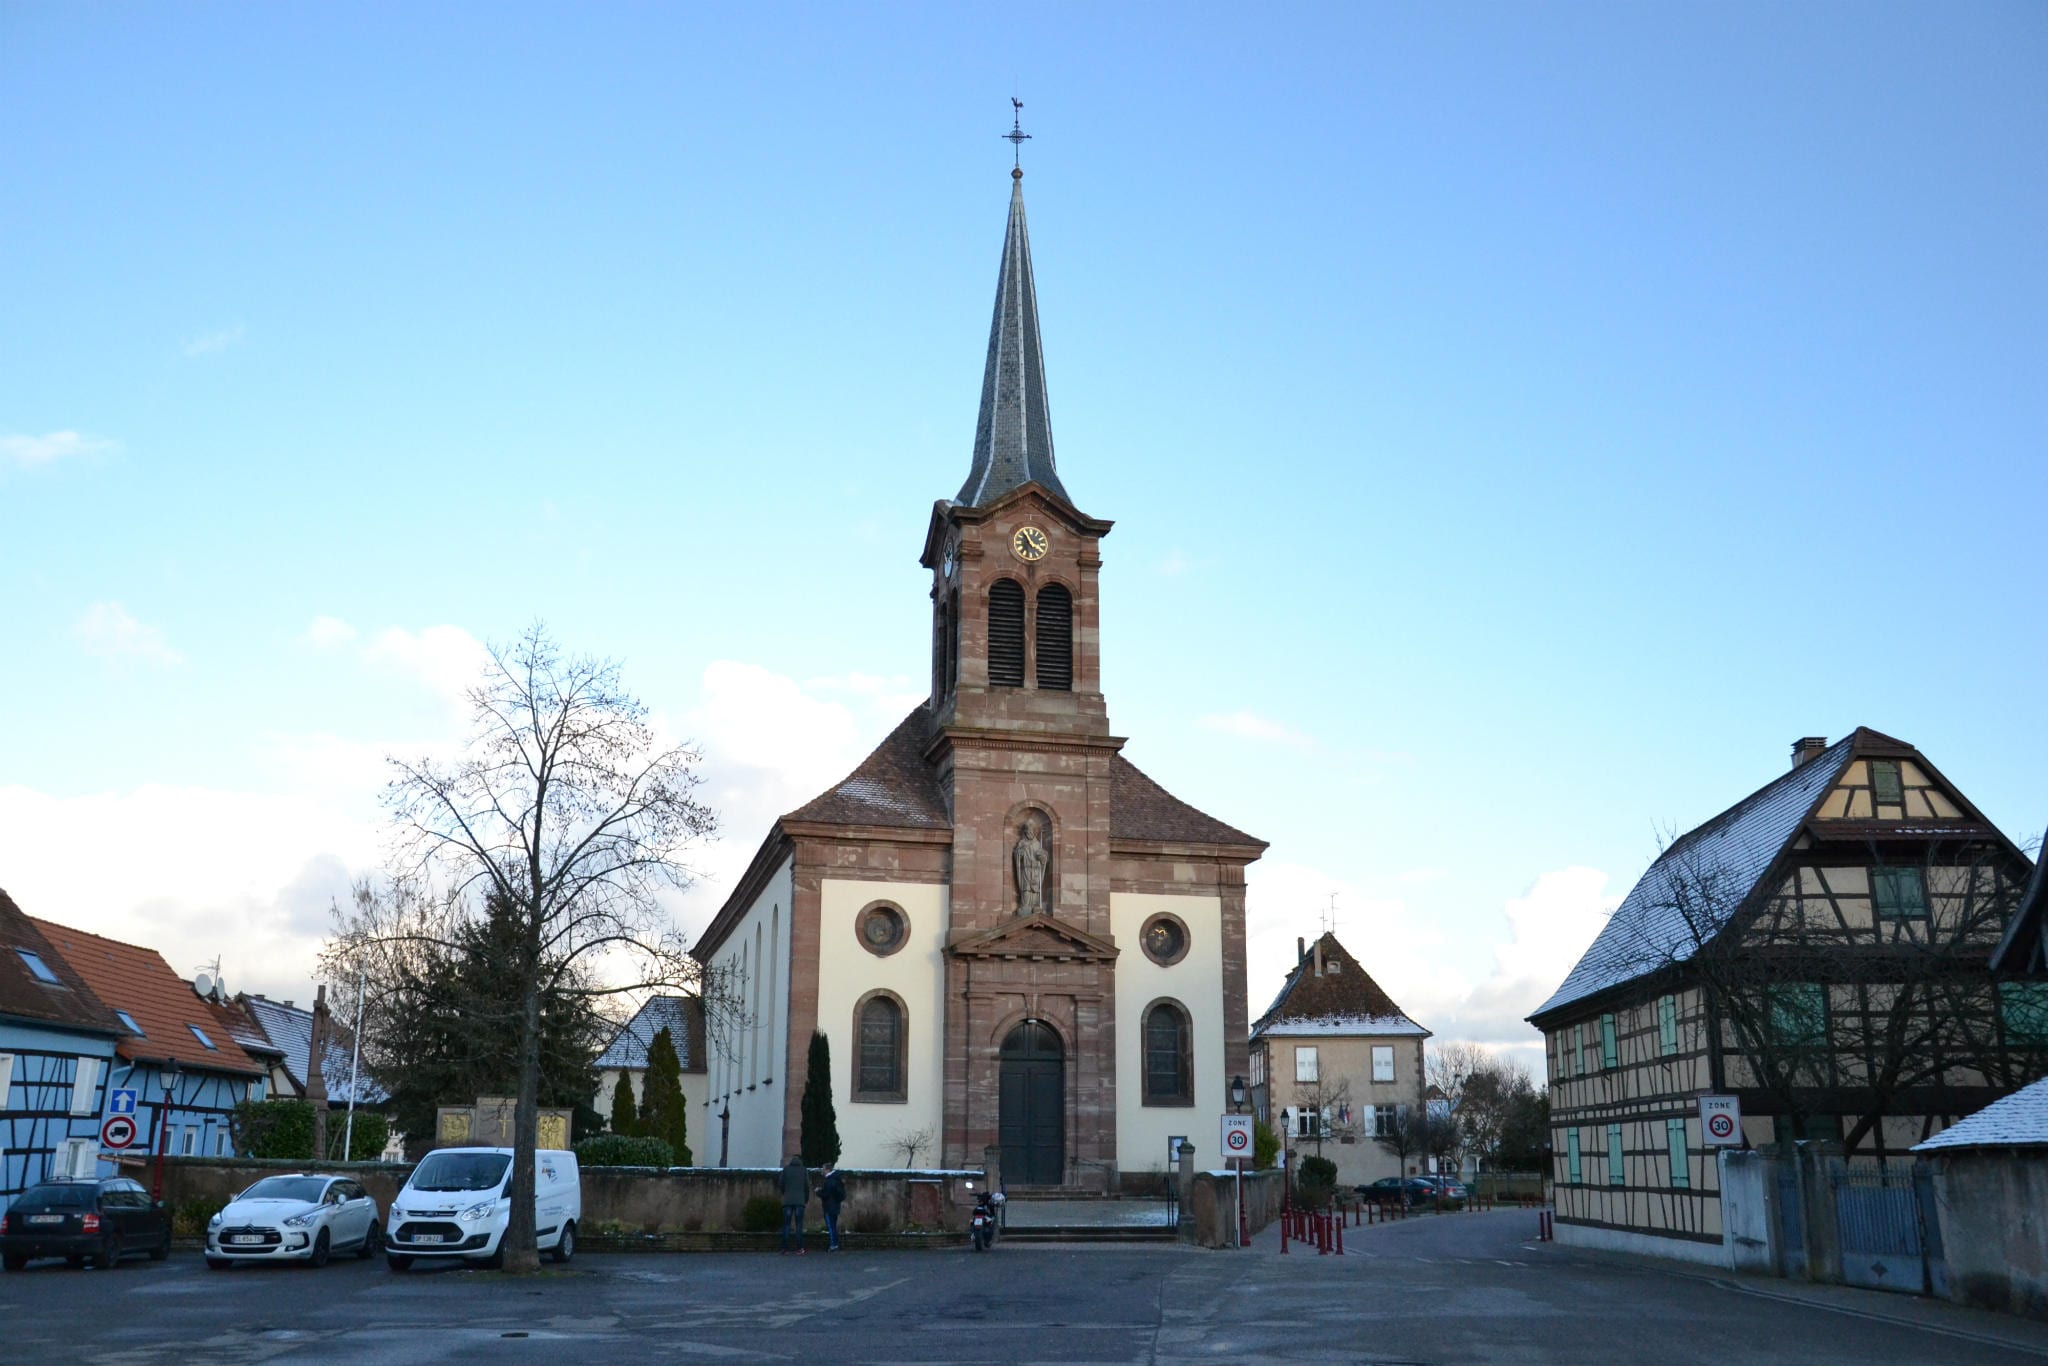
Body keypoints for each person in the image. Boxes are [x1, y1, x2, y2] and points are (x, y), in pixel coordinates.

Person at [778, 1154, 810, 1254]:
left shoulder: (786, 1170)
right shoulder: (804, 1170)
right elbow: (807, 1186)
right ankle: (800, 1248)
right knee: (799, 1225)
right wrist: (805, 1199)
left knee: (786, 1225)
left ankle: (785, 1248)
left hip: (787, 1201)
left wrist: (785, 1194)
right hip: (800, 1201)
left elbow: (781, 1184)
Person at [818, 1161, 846, 1251]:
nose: (822, 1170)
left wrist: (818, 1192)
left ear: (827, 1169)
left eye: (823, 1169)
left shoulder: (829, 1180)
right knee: (833, 1226)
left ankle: (833, 1245)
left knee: (831, 1226)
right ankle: (835, 1244)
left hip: (829, 1207)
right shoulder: (836, 1179)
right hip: (835, 1206)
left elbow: (826, 1194)